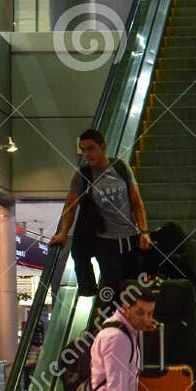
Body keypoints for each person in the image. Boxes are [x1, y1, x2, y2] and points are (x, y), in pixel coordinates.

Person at [49, 128, 152, 311]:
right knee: (116, 290)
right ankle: (117, 328)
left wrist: (144, 232)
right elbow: (70, 208)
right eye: (83, 150)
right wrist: (63, 233)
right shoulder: (83, 175)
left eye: (91, 148)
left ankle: (135, 327)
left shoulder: (120, 167)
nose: (87, 154)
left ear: (102, 147)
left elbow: (136, 202)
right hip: (105, 242)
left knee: (135, 288)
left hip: (130, 239)